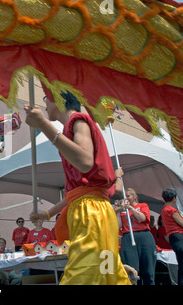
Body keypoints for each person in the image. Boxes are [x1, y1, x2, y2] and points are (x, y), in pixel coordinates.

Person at [25, 91, 130, 285]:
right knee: (106, 273)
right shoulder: (72, 127)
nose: (45, 104)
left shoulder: (78, 121)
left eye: (46, 98)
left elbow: (85, 161)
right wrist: (47, 214)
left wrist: (43, 125)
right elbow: (78, 191)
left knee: (83, 274)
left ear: (57, 98)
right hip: (94, 211)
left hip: (91, 214)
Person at [116, 188, 156, 285]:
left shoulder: (142, 205)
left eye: (128, 196)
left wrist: (130, 208)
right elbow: (119, 225)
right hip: (128, 237)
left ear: (134, 197)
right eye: (124, 196)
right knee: (131, 270)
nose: (126, 198)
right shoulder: (123, 210)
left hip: (143, 236)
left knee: (148, 269)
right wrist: (117, 211)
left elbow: (142, 218)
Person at [161, 188, 183, 285]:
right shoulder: (172, 210)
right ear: (174, 198)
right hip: (179, 236)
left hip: (173, 237)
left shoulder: (164, 209)